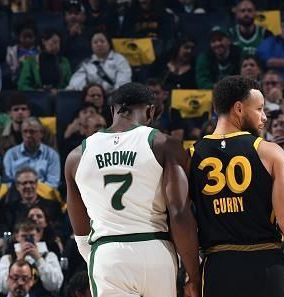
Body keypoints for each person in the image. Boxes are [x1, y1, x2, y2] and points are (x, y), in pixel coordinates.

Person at [64, 82, 200, 297]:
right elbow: (179, 213)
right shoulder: (164, 144)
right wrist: (194, 273)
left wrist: (98, 260)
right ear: (150, 111)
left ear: (112, 110)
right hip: (156, 249)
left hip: (107, 251)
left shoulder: (76, 156)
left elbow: (80, 229)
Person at [188, 76, 284, 297]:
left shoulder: (193, 154)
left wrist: (191, 274)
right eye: (259, 109)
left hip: (218, 265)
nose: (264, 117)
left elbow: (186, 219)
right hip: (264, 263)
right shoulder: (269, 151)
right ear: (239, 108)